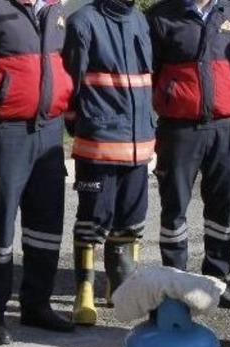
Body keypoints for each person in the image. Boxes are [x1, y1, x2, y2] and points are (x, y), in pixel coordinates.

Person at [0, 0, 76, 345]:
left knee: (46, 224)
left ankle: (37, 304)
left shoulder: (56, 9)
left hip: (50, 130)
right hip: (5, 131)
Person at [147, 0, 230, 309]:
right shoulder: (162, 15)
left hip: (223, 126)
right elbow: (151, 71)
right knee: (174, 205)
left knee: (221, 206)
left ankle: (216, 281)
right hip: (179, 128)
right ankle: (176, 283)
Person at [63, 0, 155, 325]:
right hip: (99, 141)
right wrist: (83, 123)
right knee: (93, 219)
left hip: (139, 142)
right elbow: (69, 84)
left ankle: (120, 286)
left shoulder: (141, 21)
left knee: (131, 220)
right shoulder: (82, 22)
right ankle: (84, 291)